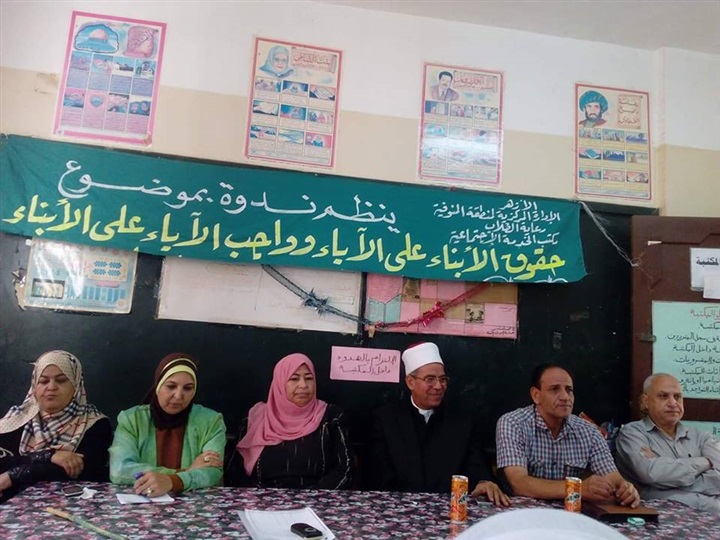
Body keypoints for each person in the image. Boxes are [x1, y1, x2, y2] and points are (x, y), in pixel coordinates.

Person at [369, 342, 509, 505]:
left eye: (443, 380)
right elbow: (378, 475)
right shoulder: (385, 420)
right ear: (410, 382)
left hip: (451, 508)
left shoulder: (461, 421)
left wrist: (483, 481)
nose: (438, 386)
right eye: (430, 379)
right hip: (399, 507)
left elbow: (475, 462)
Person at [495, 363, 640, 507]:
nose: (565, 397)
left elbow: (613, 478)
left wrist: (625, 489)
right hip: (523, 513)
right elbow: (519, 484)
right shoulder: (513, 423)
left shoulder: (589, 431)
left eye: (569, 390)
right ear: (536, 395)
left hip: (571, 513)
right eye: (554, 389)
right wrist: (578, 488)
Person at [0, 351, 111, 503]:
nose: (51, 387)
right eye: (43, 381)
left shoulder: (94, 424)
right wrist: (49, 456)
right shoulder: (16, 419)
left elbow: (80, 471)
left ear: (76, 386)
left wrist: (13, 475)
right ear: (34, 386)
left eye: (61, 380)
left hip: (69, 506)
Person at [109, 353, 225, 497]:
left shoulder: (211, 421)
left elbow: (213, 471)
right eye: (171, 386)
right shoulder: (132, 419)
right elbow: (119, 470)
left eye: (188, 388)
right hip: (141, 502)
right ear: (158, 385)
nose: (178, 395)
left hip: (195, 505)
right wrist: (183, 474)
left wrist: (172, 481)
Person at [231, 353, 353, 489]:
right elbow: (235, 471)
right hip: (262, 499)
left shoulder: (331, 417)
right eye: (294, 379)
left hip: (317, 499)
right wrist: (263, 497)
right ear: (279, 383)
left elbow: (345, 468)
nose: (303, 385)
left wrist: (310, 497)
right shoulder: (256, 417)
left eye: (309, 378)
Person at [615, 373, 720, 513]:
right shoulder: (632, 434)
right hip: (658, 518)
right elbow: (650, 473)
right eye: (663, 396)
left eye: (677, 397)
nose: (673, 403)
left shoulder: (702, 437)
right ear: (646, 401)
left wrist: (668, 481)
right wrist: (705, 462)